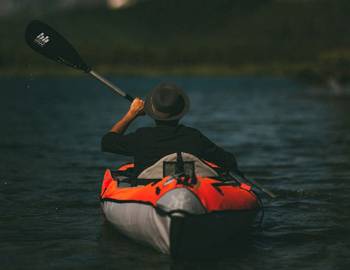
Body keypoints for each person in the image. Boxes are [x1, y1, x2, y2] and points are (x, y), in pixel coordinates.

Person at [101, 83, 242, 177]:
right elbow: (229, 161)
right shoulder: (194, 137)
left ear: (152, 112)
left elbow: (107, 142)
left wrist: (131, 114)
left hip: (149, 193)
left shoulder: (142, 137)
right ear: (181, 111)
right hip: (187, 194)